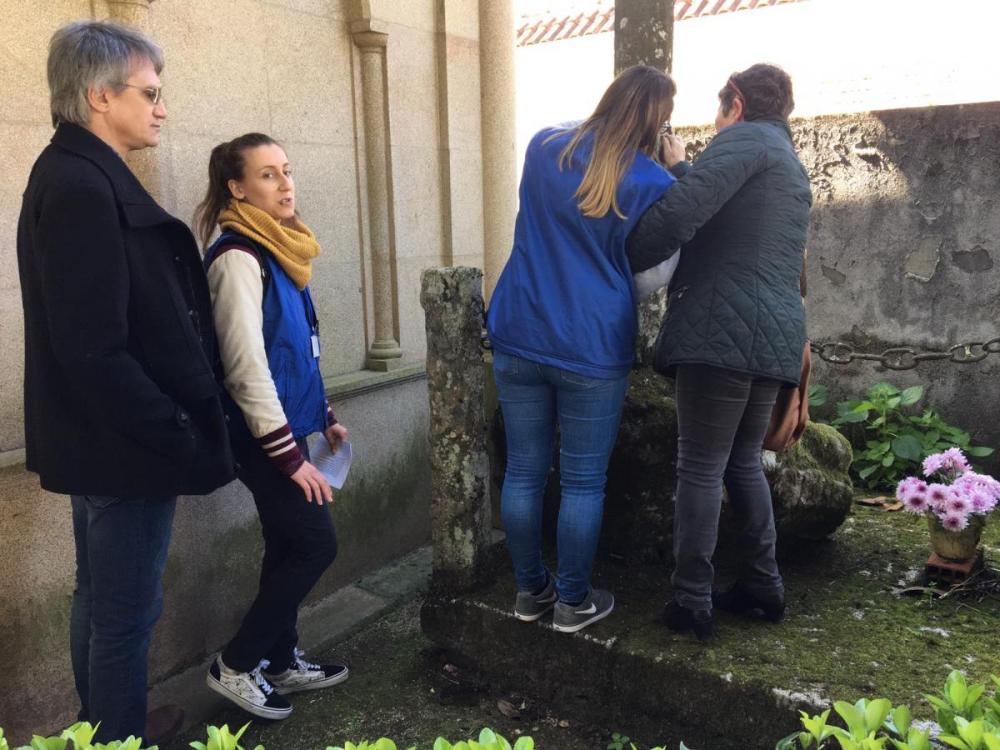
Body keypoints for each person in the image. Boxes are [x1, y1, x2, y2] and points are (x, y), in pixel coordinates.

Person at [16, 21, 236, 742]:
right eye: (149, 93)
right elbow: (94, 349)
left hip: (104, 440)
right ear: (98, 95)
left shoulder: (79, 171)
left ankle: (105, 725)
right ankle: (118, 737)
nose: (161, 109)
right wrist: (173, 426)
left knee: (100, 599)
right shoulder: (81, 184)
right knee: (126, 613)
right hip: (125, 446)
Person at [487, 65, 685, 634]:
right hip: (591, 343)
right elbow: (656, 275)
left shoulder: (543, 144)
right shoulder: (654, 182)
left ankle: (530, 593)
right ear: (658, 120)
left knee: (523, 471)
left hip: (520, 327)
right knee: (582, 483)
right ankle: (573, 603)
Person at [626, 63, 812, 640]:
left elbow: (680, 217)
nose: (714, 119)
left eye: (717, 106)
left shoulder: (742, 140)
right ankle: (762, 584)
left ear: (735, 101)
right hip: (775, 336)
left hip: (721, 330)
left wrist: (620, 259)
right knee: (740, 463)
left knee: (701, 468)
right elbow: (730, 221)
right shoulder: (786, 160)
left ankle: (691, 600)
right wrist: (684, 166)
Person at [194, 133, 349, 719]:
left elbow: (294, 351)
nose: (285, 184)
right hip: (263, 439)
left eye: (287, 170)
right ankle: (235, 665)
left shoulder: (281, 249)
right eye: (267, 175)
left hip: (290, 428)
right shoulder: (239, 257)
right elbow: (245, 367)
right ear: (237, 188)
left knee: (288, 543)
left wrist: (325, 416)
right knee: (316, 544)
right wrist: (290, 456)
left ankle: (280, 658)